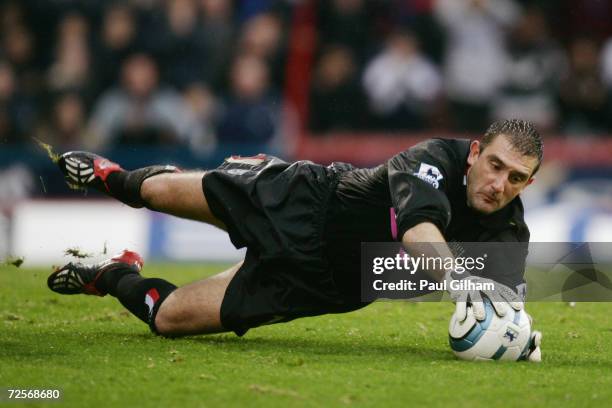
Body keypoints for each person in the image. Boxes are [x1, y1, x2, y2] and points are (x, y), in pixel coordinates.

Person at [47, 118, 542, 361]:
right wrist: (459, 278)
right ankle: (113, 178)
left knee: (169, 320)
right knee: (154, 191)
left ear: (529, 183)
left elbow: (507, 303)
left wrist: (517, 336)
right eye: (495, 165)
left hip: (325, 285)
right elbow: (418, 236)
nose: (499, 185)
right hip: (304, 203)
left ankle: (112, 273)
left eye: (517, 178)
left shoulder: (509, 232)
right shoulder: (434, 158)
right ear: (475, 153)